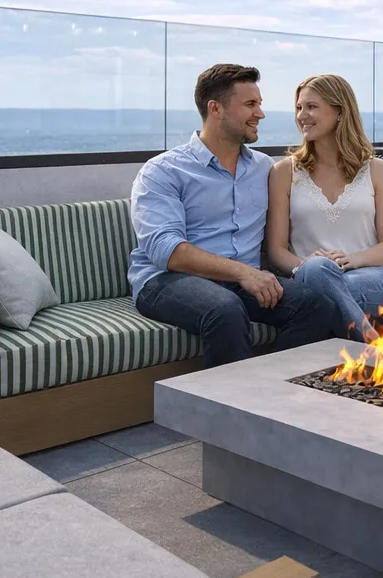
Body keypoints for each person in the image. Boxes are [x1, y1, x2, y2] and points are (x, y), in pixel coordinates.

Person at [129, 63, 336, 366]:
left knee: (314, 305)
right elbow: (167, 251)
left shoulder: (265, 168)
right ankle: (234, 410)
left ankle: (274, 396)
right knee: (224, 309)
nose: (260, 114)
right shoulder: (163, 171)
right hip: (169, 280)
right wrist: (243, 272)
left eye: (260, 104)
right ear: (216, 109)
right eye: (250, 105)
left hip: (242, 281)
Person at [266, 73, 383, 342]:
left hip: (374, 275)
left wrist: (352, 260)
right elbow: (276, 251)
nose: (302, 115)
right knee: (319, 274)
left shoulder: (378, 171)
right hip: (307, 274)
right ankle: (373, 353)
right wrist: (309, 267)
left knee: (324, 294)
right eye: (299, 108)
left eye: (311, 106)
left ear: (339, 111)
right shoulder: (284, 172)